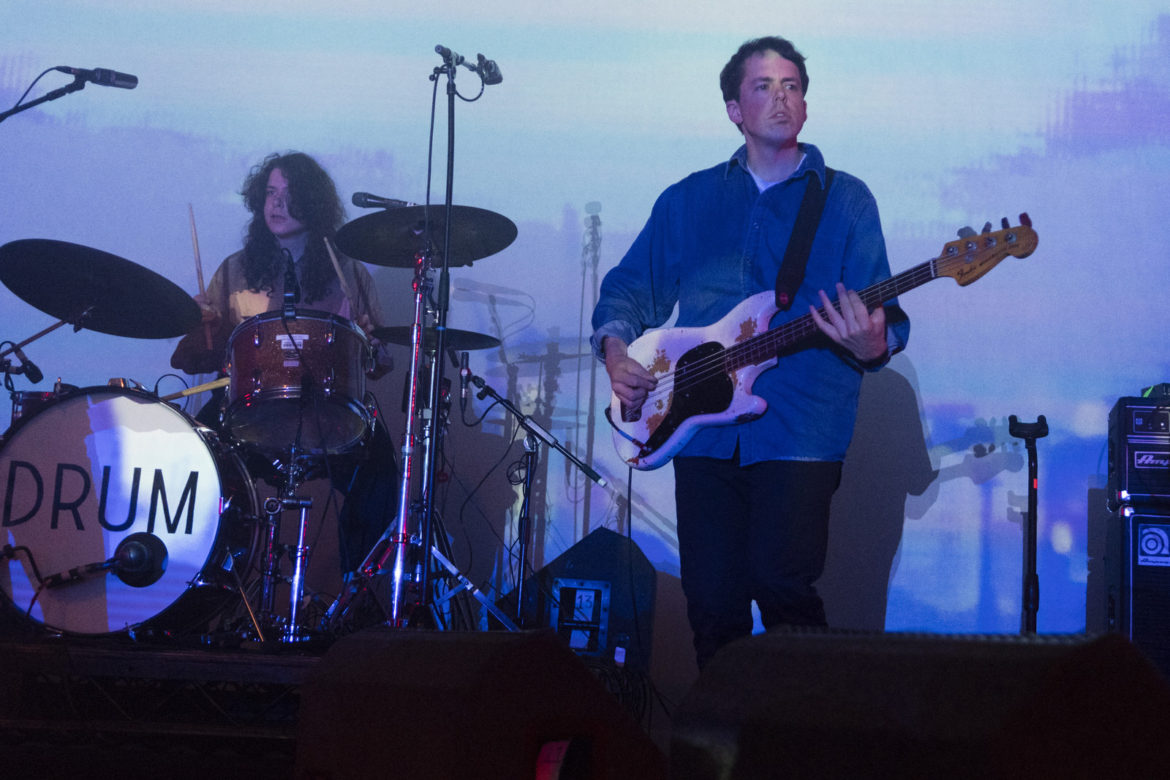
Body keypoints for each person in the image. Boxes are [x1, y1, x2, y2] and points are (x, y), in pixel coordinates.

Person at [591, 36, 910, 668]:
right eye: (763, 87)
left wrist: (872, 340)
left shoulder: (846, 200)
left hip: (799, 430)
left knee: (781, 586)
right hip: (699, 429)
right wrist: (615, 351)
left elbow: (886, 323)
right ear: (735, 110)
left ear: (806, 105)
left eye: (792, 85)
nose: (780, 97)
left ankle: (806, 747)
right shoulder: (688, 199)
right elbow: (630, 288)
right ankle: (724, 755)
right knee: (712, 606)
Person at [172, 151, 397, 575]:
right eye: (270, 193)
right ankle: (207, 580)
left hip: (327, 407)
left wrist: (371, 343)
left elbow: (379, 364)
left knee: (381, 473)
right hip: (248, 402)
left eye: (289, 194)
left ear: (313, 204)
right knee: (196, 458)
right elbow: (189, 358)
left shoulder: (348, 272)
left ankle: (357, 594)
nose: (276, 204)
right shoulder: (235, 270)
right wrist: (197, 322)